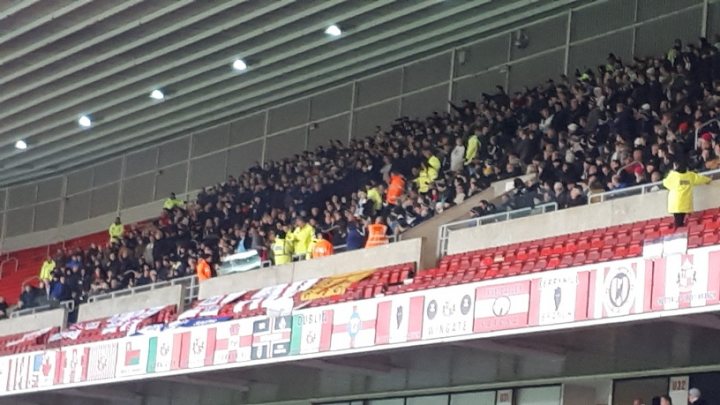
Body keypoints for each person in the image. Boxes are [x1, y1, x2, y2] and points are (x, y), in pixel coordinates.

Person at [662, 160, 712, 228]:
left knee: (678, 224)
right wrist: (708, 180)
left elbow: (665, 183)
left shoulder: (673, 175)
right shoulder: (690, 175)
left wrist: (671, 173)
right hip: (686, 204)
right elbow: (700, 179)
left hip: (676, 204)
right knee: (681, 221)